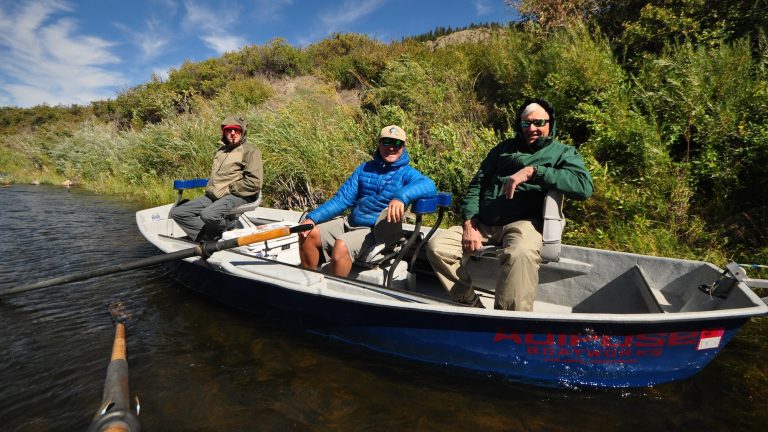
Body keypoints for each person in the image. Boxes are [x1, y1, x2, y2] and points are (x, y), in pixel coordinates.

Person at [426, 99, 593, 311]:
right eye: (526, 124)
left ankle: (509, 321)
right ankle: (470, 304)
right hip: (485, 223)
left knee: (521, 252)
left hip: (524, 224)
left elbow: (583, 187)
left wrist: (534, 172)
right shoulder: (502, 150)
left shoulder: (563, 152)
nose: (532, 129)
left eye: (539, 123)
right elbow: (476, 185)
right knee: (438, 247)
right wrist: (470, 223)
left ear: (550, 123)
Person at [298, 125, 437, 277]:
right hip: (351, 221)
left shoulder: (407, 173)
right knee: (307, 233)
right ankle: (310, 282)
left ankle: (335, 291)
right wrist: (312, 218)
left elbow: (429, 185)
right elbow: (342, 199)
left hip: (377, 230)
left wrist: (400, 197)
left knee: (341, 246)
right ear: (379, 144)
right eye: (386, 142)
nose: (391, 147)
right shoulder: (364, 168)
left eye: (397, 143)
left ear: (403, 147)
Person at [170, 114, 263, 242]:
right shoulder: (221, 151)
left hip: (237, 195)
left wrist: (230, 189)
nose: (232, 133)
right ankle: (206, 238)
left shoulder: (250, 151)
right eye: (228, 130)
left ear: (242, 131)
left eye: (236, 130)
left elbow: (254, 182)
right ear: (224, 133)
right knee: (178, 213)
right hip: (213, 195)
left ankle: (226, 230)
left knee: (208, 214)